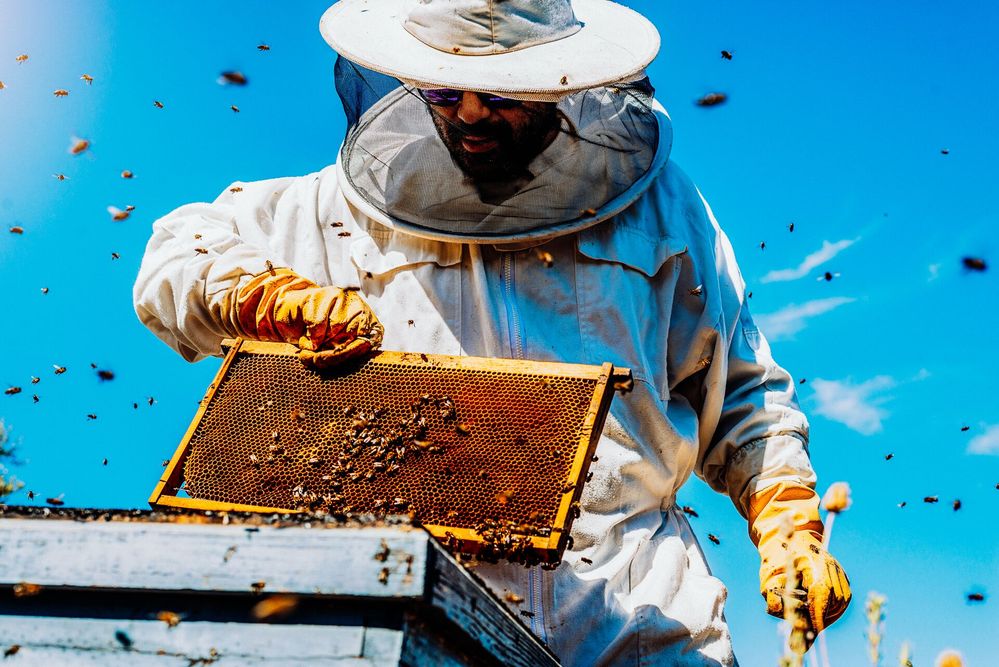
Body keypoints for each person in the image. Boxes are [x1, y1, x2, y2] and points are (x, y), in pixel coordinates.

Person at [133, 0, 851, 664]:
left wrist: (788, 521)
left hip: (633, 618)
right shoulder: (333, 209)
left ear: (558, 77)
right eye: (444, 92)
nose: (471, 114)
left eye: (502, 95)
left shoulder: (660, 210)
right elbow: (177, 253)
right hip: (409, 613)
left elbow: (743, 392)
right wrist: (261, 296)